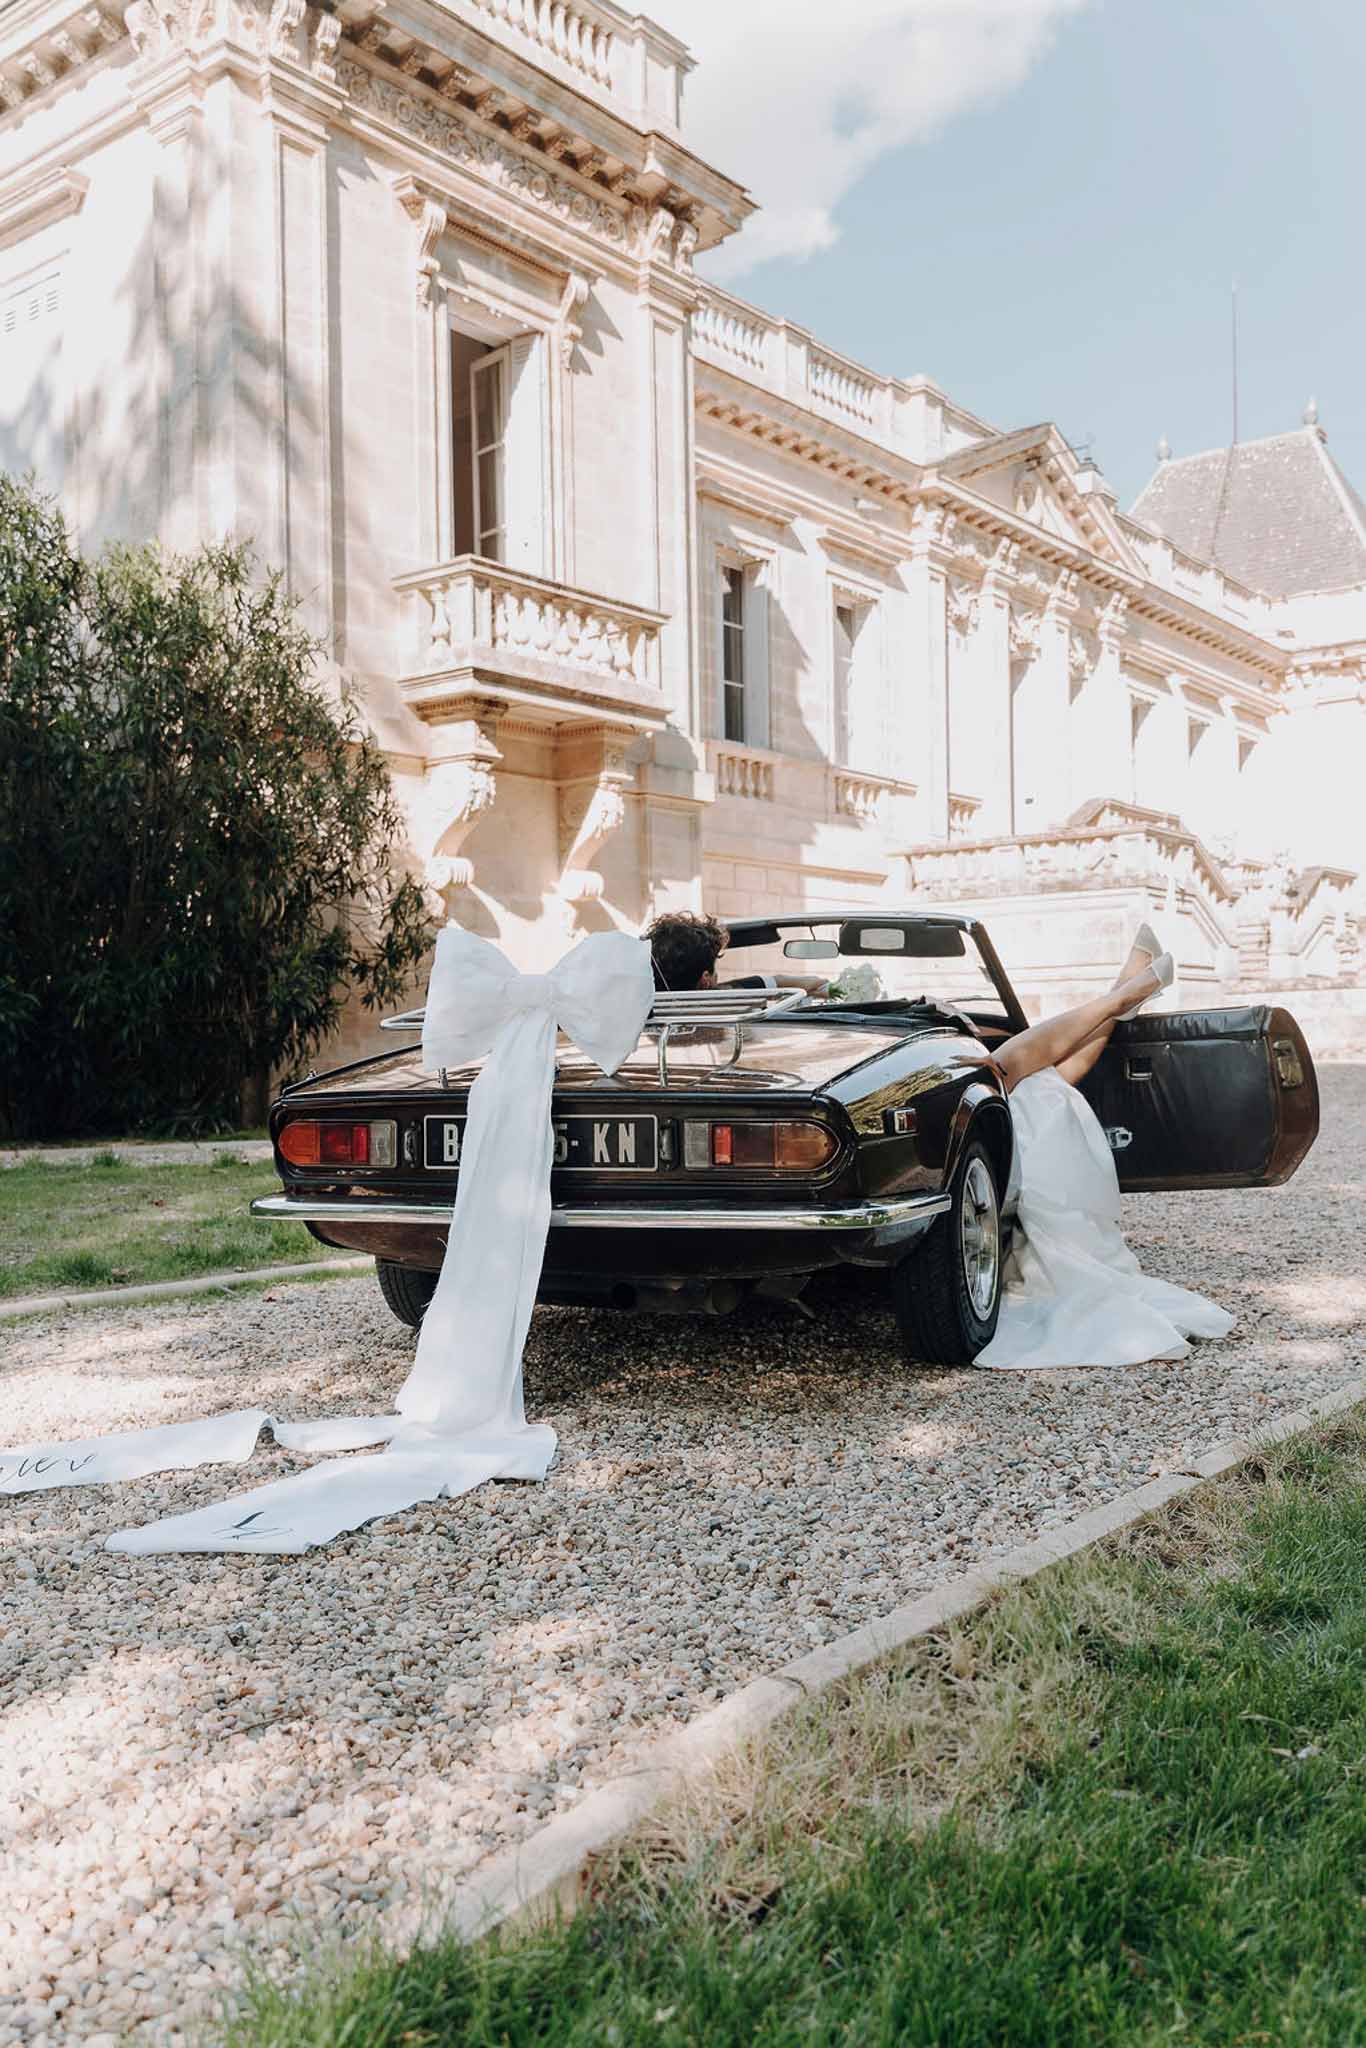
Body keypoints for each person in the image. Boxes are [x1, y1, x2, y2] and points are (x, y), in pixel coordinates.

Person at [975, 923, 1234, 1370]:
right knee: (1009, 1071)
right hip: (1010, 1145)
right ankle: (1122, 996)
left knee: (1027, 1079)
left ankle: (1125, 992)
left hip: (1007, 1146)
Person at [643, 911, 827, 995]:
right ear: (706, 980)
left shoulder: (639, 1011)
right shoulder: (725, 1015)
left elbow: (769, 983)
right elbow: (786, 983)